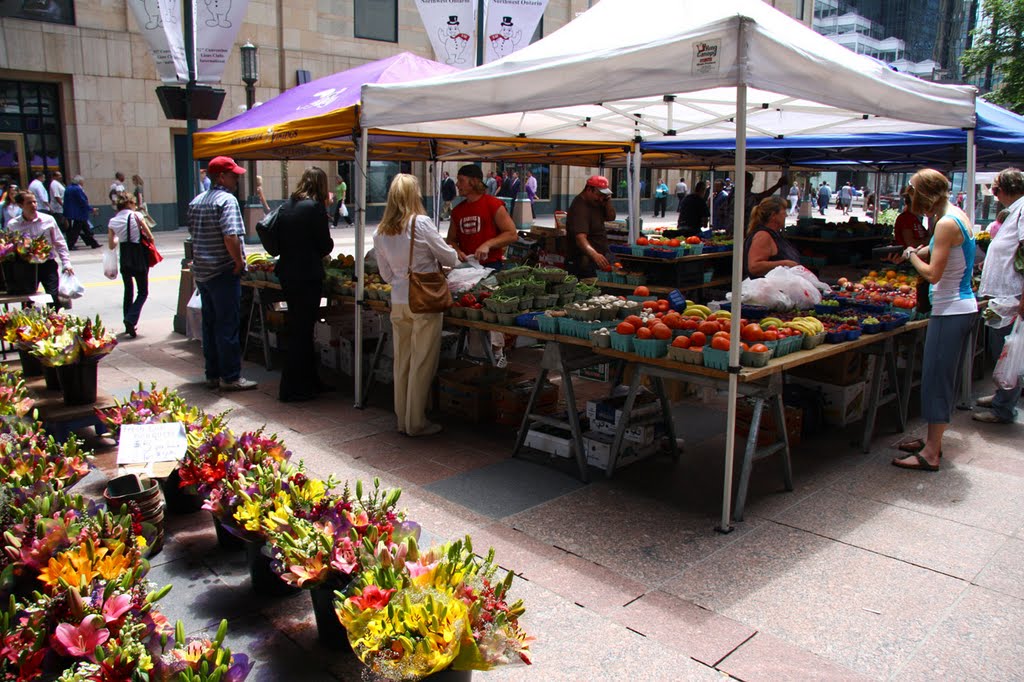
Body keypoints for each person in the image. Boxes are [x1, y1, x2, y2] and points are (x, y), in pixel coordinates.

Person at [891, 169, 977, 471]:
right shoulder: (956, 215)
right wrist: (914, 251)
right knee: (938, 378)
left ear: (923, 194)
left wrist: (912, 255)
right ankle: (931, 440)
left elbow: (931, 273)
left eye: (912, 193)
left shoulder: (945, 223)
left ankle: (931, 453)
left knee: (936, 379)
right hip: (960, 307)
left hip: (951, 309)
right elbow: (941, 248)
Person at [375, 174, 459, 436]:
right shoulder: (420, 223)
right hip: (423, 300)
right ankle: (416, 423)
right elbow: (450, 258)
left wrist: (403, 275)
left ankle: (403, 420)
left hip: (398, 300)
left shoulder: (380, 231)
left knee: (403, 361)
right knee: (422, 362)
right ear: (414, 195)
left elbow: (386, 275)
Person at [187, 155, 257, 391]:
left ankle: (213, 373)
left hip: (203, 273)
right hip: (222, 271)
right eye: (233, 175)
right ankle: (231, 377)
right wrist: (238, 262)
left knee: (210, 324)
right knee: (228, 325)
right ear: (221, 176)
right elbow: (231, 236)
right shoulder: (227, 201)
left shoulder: (196, 201)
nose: (236, 179)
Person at [447, 164, 518, 367]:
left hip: (491, 268)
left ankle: (497, 353)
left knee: (490, 315)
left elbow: (511, 233)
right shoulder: (458, 211)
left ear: (474, 181)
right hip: (468, 270)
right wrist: (457, 250)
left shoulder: (493, 204)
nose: (457, 185)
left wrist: (488, 244)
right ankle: (475, 355)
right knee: (470, 314)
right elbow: (451, 239)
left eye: (461, 180)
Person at [274, 167, 334, 402]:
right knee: (303, 332)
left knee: (299, 329)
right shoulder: (314, 208)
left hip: (288, 274)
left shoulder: (288, 205)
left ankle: (309, 382)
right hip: (307, 277)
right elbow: (325, 245)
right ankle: (292, 388)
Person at [973, 168, 1024, 424]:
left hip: (1012, 297)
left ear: (1002, 190)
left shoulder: (1023, 210)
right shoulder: (1015, 210)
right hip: (1003, 296)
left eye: (994, 189)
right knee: (999, 347)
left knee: (1006, 350)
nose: (993, 194)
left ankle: (1004, 408)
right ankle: (1001, 396)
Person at [7, 191, 72, 309]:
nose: (33, 205)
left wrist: (66, 263)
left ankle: (54, 321)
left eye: (34, 202)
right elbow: (9, 249)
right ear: (21, 206)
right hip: (26, 267)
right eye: (29, 203)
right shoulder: (13, 225)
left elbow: (60, 242)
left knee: (52, 296)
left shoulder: (48, 220)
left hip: (47, 264)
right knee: (28, 300)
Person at [107, 191, 154, 338]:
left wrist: (119, 238)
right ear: (129, 203)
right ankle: (131, 319)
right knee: (143, 291)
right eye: (134, 204)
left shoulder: (112, 222)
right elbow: (150, 236)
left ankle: (127, 321)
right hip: (138, 255)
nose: (135, 206)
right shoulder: (137, 216)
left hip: (125, 256)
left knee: (128, 290)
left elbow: (111, 244)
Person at [566, 175, 616, 278]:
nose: (601, 198)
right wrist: (595, 255)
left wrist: (607, 201)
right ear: (589, 189)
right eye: (599, 195)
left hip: (600, 254)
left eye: (604, 195)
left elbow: (611, 217)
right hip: (585, 260)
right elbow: (580, 238)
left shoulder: (598, 202)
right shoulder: (579, 207)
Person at [743, 196, 802, 278]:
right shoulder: (763, 236)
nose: (786, 215)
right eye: (783, 212)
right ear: (773, 215)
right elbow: (754, 267)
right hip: (765, 288)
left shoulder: (774, 234)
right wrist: (785, 263)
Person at [62, 175, 101, 249]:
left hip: (72, 213)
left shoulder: (68, 188)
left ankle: (93, 243)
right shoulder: (77, 189)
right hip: (78, 213)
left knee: (86, 229)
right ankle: (70, 245)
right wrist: (91, 209)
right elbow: (82, 201)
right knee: (76, 230)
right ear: (80, 182)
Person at [49, 171, 66, 236]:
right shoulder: (54, 184)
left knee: (65, 224)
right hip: (57, 208)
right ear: (54, 176)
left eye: (60, 175)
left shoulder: (59, 184)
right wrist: (63, 205)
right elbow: (56, 196)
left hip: (61, 208)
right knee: (61, 224)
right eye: (58, 175)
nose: (60, 177)